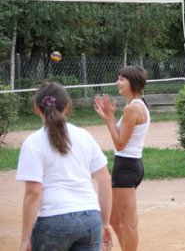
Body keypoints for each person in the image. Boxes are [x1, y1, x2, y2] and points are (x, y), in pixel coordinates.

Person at [16, 82, 113, 251]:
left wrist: (25, 238)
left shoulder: (33, 143)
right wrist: (105, 223)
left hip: (53, 220)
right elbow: (105, 180)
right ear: (67, 107)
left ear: (36, 108)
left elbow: (33, 192)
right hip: (89, 218)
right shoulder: (84, 136)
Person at [94, 66, 150, 251]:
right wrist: (108, 118)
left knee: (129, 223)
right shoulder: (139, 104)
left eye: (121, 79)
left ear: (132, 83)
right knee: (113, 219)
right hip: (131, 165)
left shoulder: (131, 108)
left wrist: (110, 119)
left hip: (126, 167)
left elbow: (120, 144)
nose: (117, 83)